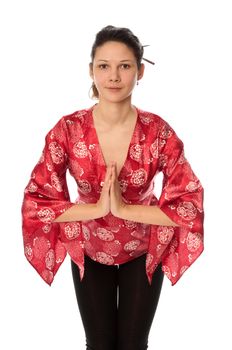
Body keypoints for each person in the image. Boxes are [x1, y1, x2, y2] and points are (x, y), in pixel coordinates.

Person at [22, 25, 204, 350]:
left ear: (140, 71)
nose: (114, 76)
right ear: (91, 71)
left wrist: (125, 209)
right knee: (100, 344)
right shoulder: (68, 129)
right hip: (90, 250)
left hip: (143, 250)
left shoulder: (158, 132)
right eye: (104, 66)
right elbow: (38, 201)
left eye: (125, 66)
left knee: (134, 344)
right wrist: (96, 210)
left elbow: (187, 205)